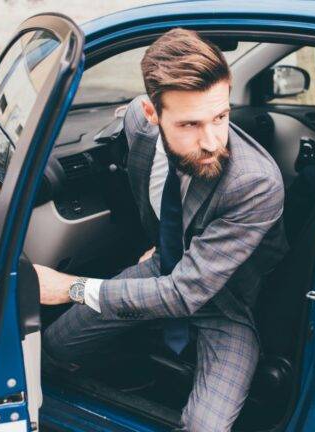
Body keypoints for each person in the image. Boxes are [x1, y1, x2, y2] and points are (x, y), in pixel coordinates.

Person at [36, 28, 288, 431]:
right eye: (190, 124)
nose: (211, 141)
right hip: (165, 266)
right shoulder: (138, 125)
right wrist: (163, 244)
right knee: (54, 346)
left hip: (226, 302)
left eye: (220, 116)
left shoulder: (254, 182)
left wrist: (69, 287)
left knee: (205, 426)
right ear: (152, 114)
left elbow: (186, 293)